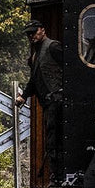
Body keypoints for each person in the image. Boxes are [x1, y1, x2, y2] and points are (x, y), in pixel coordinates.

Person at [18, 19, 65, 175]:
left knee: (55, 138)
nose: (31, 36)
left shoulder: (53, 47)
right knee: (51, 138)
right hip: (49, 103)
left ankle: (57, 173)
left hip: (58, 100)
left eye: (34, 32)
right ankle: (55, 173)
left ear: (42, 30)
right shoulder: (35, 55)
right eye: (29, 34)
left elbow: (69, 68)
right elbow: (34, 79)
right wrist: (24, 96)